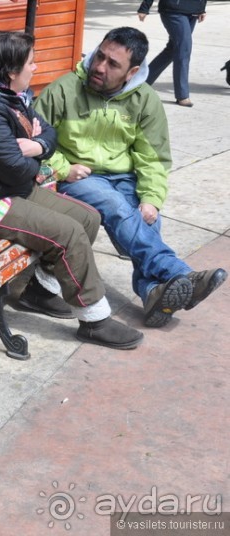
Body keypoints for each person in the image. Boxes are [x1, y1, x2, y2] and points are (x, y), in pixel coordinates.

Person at [0, 32, 143, 350]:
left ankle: (40, 293)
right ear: (11, 71)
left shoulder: (10, 95)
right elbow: (16, 168)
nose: (35, 68)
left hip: (10, 190)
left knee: (88, 217)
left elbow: (48, 133)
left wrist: (35, 145)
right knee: (69, 233)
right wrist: (36, 155)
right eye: (31, 63)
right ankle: (94, 321)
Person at [33, 27, 226, 329]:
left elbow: (153, 157)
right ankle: (178, 271)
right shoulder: (64, 89)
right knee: (116, 207)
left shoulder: (145, 99)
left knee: (147, 219)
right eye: (100, 56)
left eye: (113, 64)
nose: (100, 67)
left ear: (132, 72)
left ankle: (153, 293)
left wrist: (151, 198)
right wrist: (62, 167)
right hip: (77, 177)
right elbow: (33, 138)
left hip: (123, 176)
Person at [138, 0, 207, 107]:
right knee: (183, 49)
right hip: (173, 10)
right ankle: (182, 95)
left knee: (173, 50)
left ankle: (142, 81)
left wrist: (201, 8)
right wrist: (144, 7)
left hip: (193, 12)